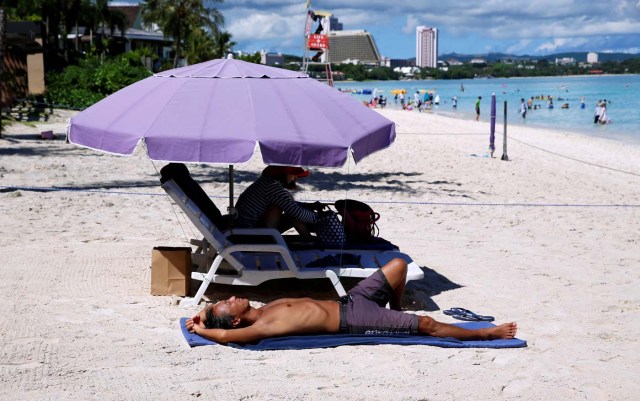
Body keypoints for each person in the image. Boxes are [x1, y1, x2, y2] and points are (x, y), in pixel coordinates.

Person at [186, 258, 518, 344]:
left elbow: (221, 325)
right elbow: (227, 336)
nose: (231, 297)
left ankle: (396, 312)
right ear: (234, 319)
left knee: (399, 267)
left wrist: (201, 317)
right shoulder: (261, 327)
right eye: (227, 304)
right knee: (427, 324)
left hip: (350, 300)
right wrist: (203, 331)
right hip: (354, 320)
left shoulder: (263, 307)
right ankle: (483, 334)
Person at [234, 165, 323, 240]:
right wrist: (319, 219)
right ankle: (309, 240)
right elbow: (296, 211)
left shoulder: (266, 182)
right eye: (294, 174)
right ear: (283, 174)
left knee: (289, 206)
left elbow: (290, 204)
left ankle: (309, 239)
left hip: (246, 228)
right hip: (250, 234)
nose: (295, 177)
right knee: (292, 213)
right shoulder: (271, 187)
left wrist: (309, 206)